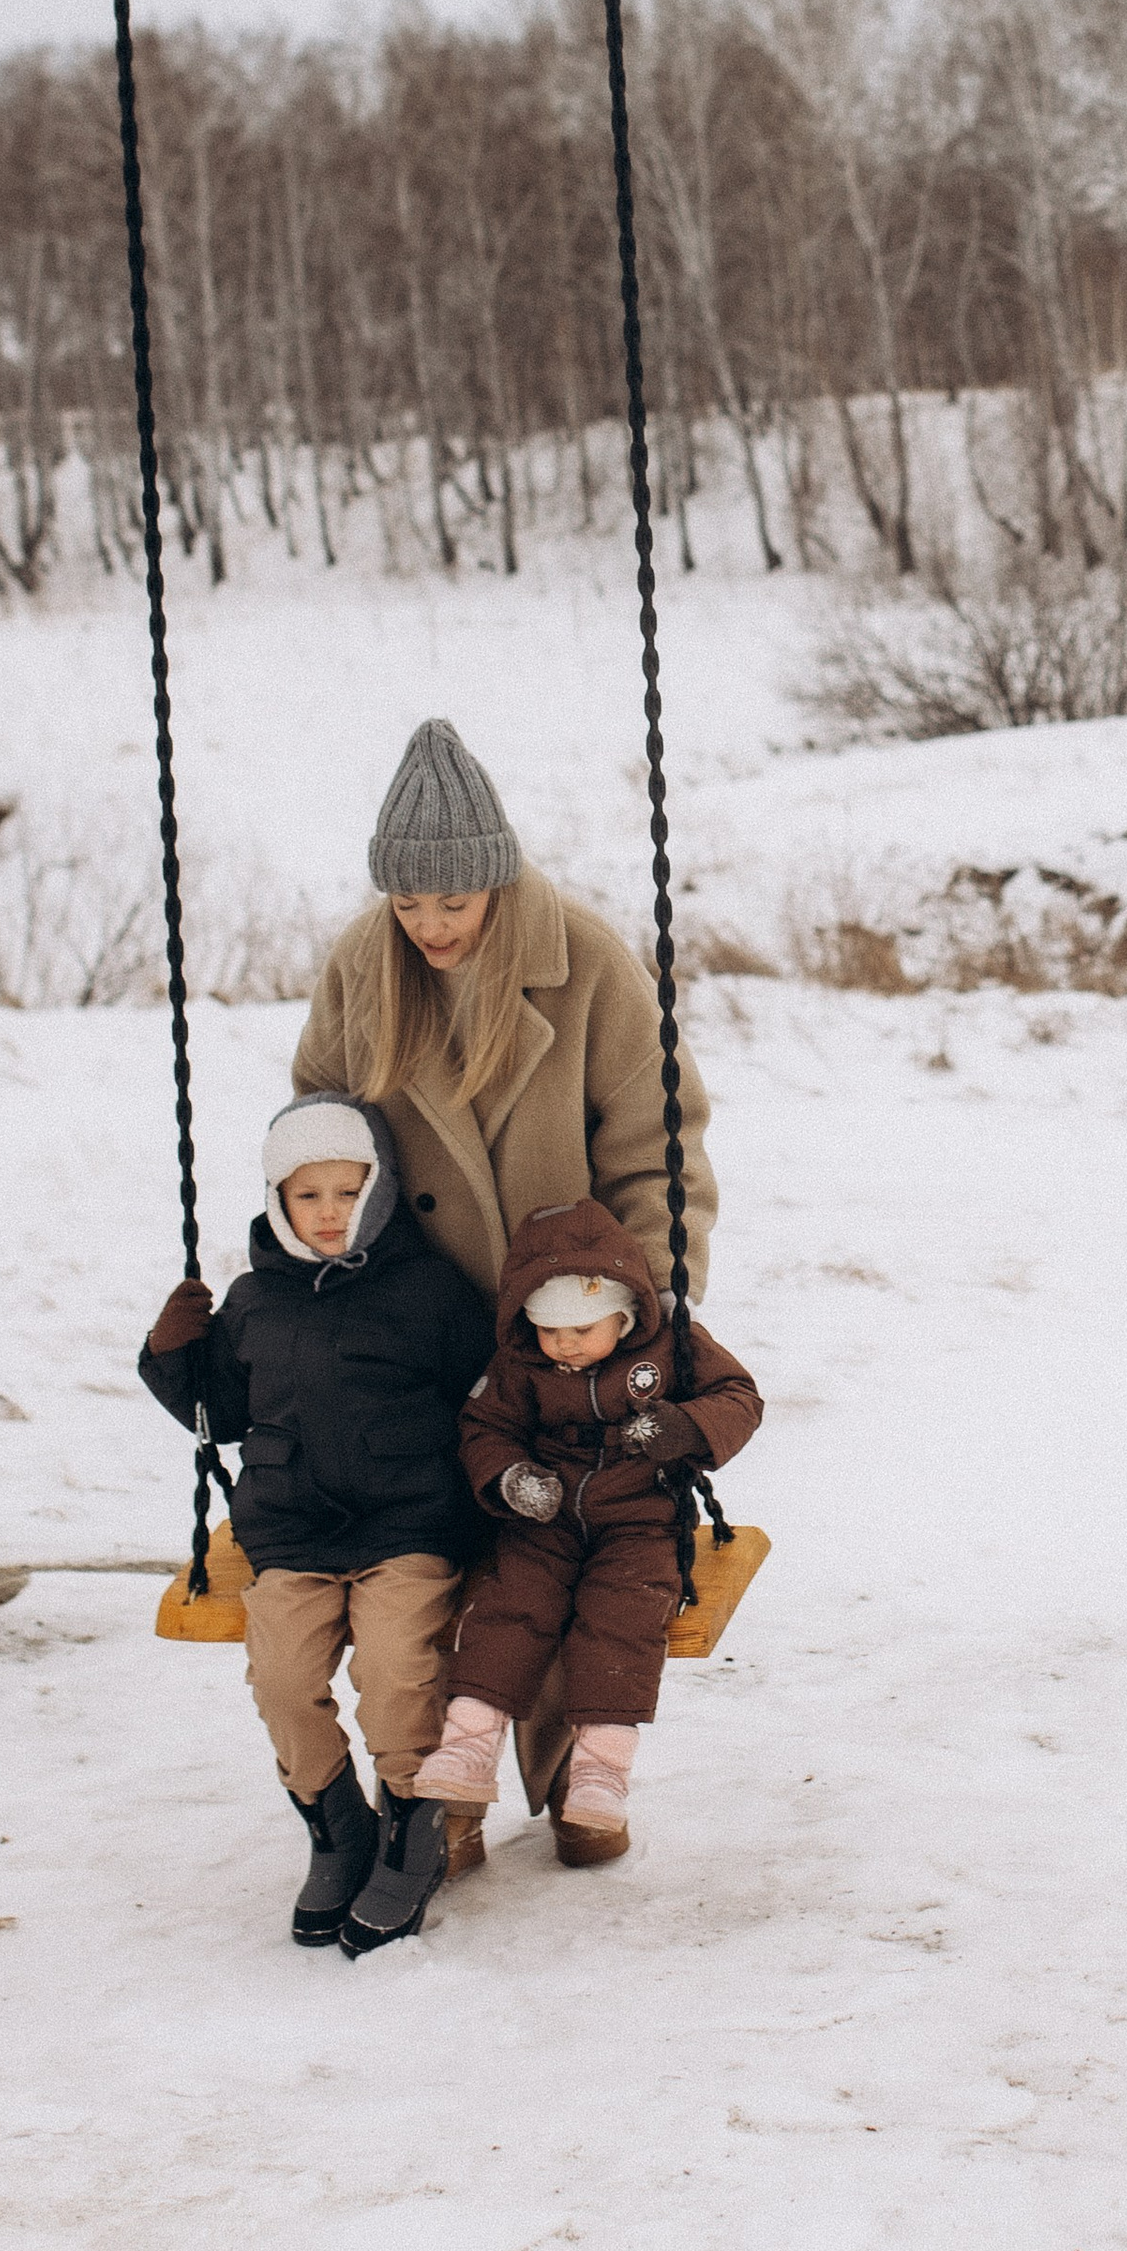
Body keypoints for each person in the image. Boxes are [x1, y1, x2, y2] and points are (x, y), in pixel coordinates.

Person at [292, 716, 727, 1816]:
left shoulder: (584, 962)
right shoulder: (363, 965)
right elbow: (321, 1125)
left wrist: (654, 1303)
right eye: (407, 902)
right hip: (413, 1316)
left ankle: (577, 1781)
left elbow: (653, 1140)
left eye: (451, 901)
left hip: (565, 1318)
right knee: (444, 1553)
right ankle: (442, 1800)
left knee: (570, 1540)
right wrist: (314, 1272)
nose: (428, 926)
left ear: (496, 878)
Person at [138, 1094, 492, 1957]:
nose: (328, 1214)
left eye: (346, 1192)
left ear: (378, 1192)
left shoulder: (430, 1290)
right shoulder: (256, 1301)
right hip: (291, 1527)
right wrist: (170, 1353)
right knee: (282, 1678)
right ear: (277, 1200)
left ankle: (413, 1834)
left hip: (408, 1523)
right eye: (308, 1197)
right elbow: (216, 1412)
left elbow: (482, 1399)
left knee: (398, 1669)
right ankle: (339, 1834)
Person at [410, 1199, 762, 1866]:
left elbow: (739, 1397)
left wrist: (683, 1429)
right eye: (548, 1330)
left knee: (621, 1625)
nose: (564, 1345)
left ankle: (600, 1775)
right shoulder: (520, 1365)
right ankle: (466, 1749)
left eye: (581, 1329)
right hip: (546, 1520)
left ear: (624, 1312)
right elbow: (484, 1427)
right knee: (510, 1614)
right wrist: (513, 1477)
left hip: (641, 1521)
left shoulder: (673, 1345)